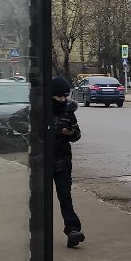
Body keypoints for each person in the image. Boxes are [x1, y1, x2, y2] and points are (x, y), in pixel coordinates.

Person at [50, 75, 84, 247]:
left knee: (65, 197)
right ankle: (36, 232)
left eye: (65, 96)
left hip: (62, 161)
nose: (63, 100)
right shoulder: (38, 110)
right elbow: (19, 124)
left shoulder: (68, 111)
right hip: (42, 162)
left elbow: (77, 134)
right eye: (59, 96)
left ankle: (72, 230)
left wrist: (71, 133)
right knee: (39, 200)